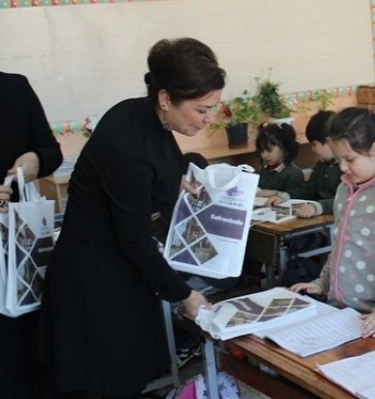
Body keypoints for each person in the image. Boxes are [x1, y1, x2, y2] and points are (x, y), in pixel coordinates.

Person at [38, 38, 221, 398]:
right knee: (106, 380)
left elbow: (164, 167)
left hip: (123, 269)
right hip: (94, 280)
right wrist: (185, 294)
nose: (209, 119)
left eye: (214, 108)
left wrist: (177, 182)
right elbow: (134, 237)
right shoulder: (127, 141)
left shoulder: (148, 117)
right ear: (167, 98)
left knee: (130, 376)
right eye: (202, 110)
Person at [289, 107, 375, 338]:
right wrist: (322, 283)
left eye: (349, 159)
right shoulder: (344, 189)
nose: (342, 167)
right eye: (338, 159)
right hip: (340, 313)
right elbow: (340, 245)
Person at [0, 71, 62, 399]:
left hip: (20, 243)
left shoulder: (14, 87)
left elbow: (52, 151)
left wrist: (36, 159)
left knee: (29, 338)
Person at [268, 110, 342, 218]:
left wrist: (318, 207)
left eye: (314, 144)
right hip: (317, 218)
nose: (312, 149)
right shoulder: (321, 165)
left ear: (329, 142)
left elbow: (346, 200)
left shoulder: (347, 169)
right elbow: (309, 189)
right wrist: (285, 197)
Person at [254, 122, 304, 197]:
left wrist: (275, 194)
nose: (264, 155)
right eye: (261, 151)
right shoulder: (263, 170)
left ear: (284, 148)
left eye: (269, 150)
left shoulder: (293, 174)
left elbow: (295, 199)